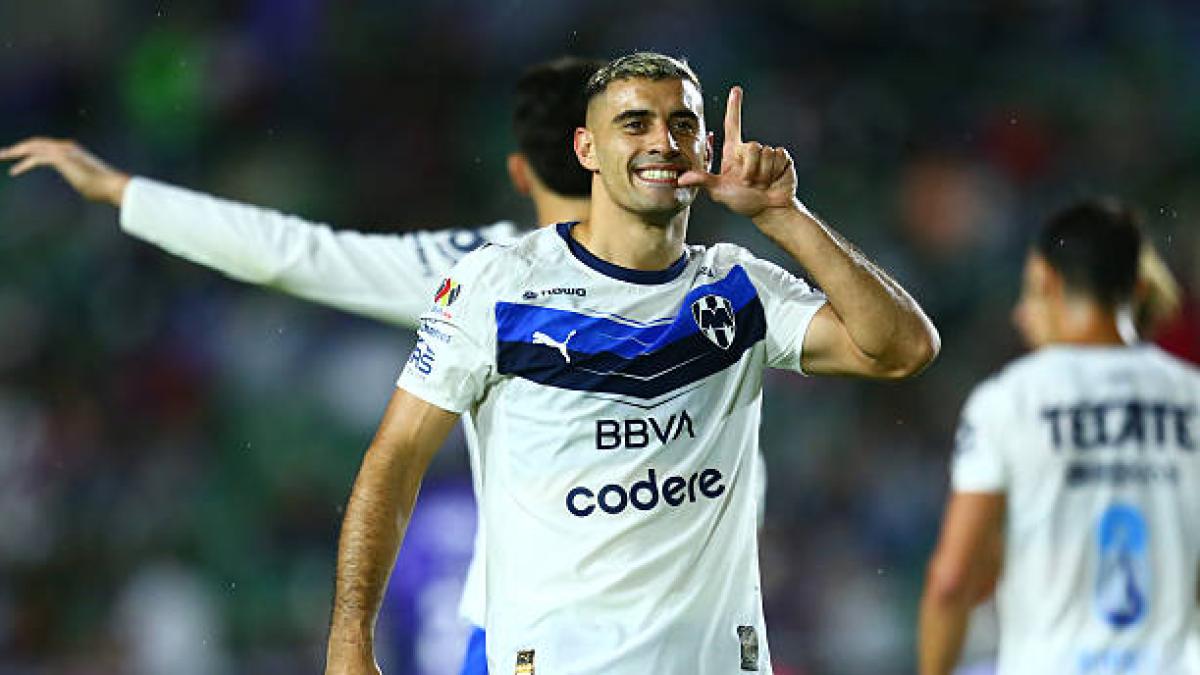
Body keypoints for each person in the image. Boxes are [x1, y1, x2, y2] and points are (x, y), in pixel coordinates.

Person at [324, 52, 939, 674]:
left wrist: (784, 216)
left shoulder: (738, 287)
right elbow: (396, 456)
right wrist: (350, 643)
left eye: (682, 124)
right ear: (586, 149)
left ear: (706, 148)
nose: (662, 142)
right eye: (635, 123)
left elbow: (902, 349)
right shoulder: (501, 286)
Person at [1, 55, 605, 675]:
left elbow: (294, 251)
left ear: (519, 172)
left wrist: (125, 191)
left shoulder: (475, 269)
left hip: (521, 631)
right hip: (613, 625)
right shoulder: (670, 273)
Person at [918, 199, 1200, 675]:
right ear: (1137, 287)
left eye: (1027, 293)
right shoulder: (1192, 398)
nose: (1019, 315)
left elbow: (952, 580)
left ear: (1047, 281)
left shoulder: (1008, 401)